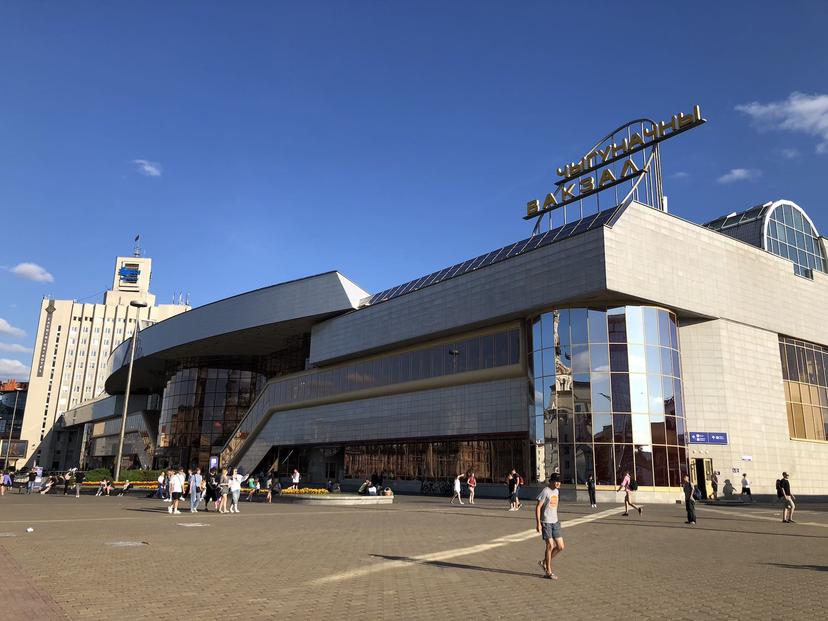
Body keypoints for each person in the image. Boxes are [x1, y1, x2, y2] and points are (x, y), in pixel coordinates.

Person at [535, 473, 565, 580]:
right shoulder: (545, 491)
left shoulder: (556, 491)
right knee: (550, 546)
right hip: (546, 522)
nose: (558, 483)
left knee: (560, 546)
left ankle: (544, 562)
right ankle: (548, 571)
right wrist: (538, 523)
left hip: (555, 522)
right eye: (556, 481)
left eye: (559, 481)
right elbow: (538, 507)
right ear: (551, 481)